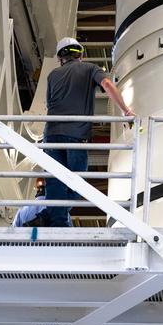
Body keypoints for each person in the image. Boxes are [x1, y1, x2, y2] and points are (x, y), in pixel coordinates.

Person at [43, 38, 134, 226]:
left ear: (60, 57)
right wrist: (126, 110)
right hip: (76, 133)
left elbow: (49, 103)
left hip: (51, 133)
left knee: (54, 182)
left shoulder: (52, 75)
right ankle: (56, 215)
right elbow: (108, 85)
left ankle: (55, 221)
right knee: (78, 181)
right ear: (81, 55)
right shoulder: (90, 69)